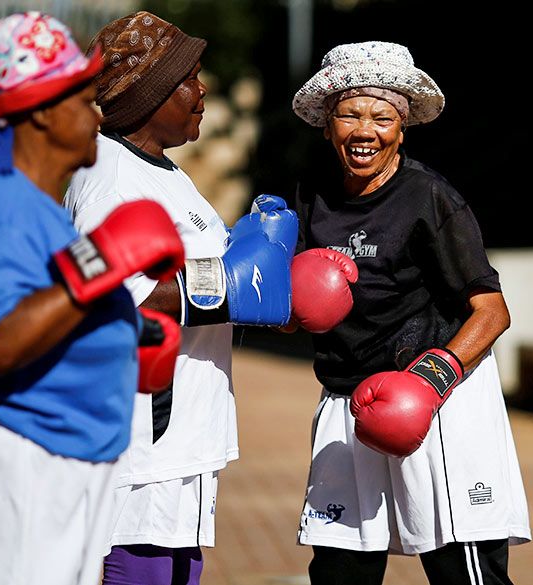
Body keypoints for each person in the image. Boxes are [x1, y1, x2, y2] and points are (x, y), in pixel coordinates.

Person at [0, 12, 186, 585]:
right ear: (44, 112)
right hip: (0, 458)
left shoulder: (28, 205)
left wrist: (121, 337)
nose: (97, 115)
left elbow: (47, 305)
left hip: (24, 455)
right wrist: (103, 259)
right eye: (81, 97)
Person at [62, 10, 343, 585]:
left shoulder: (163, 173)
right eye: (188, 77)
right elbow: (118, 298)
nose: (203, 88)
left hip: (184, 434)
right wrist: (241, 287)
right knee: (136, 569)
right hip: (142, 443)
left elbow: (209, 284)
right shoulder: (112, 181)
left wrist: (276, 298)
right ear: (149, 93)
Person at [289, 41, 531, 585]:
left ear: (402, 128)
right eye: (349, 114)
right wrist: (292, 298)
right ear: (328, 126)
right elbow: (293, 318)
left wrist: (430, 380)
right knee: (338, 571)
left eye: (382, 116)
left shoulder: (429, 197)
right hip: (347, 398)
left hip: (436, 398)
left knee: (462, 572)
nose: (364, 130)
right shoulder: (313, 197)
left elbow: (492, 312)